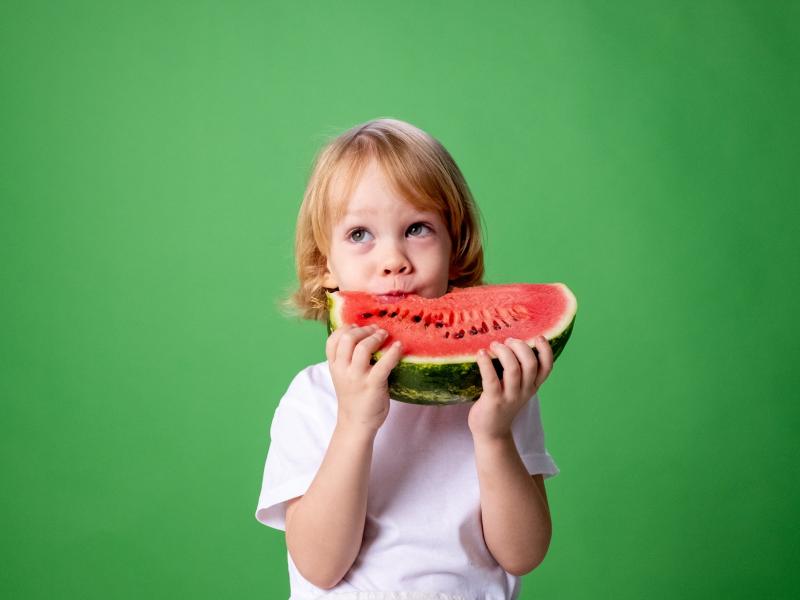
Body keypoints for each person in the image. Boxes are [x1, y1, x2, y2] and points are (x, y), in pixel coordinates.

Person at [255, 117, 560, 600]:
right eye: (360, 234)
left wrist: (494, 433)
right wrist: (354, 424)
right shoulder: (312, 398)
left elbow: (523, 554)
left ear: (455, 249)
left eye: (417, 228)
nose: (393, 259)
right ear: (324, 265)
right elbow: (320, 566)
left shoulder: (500, 389)